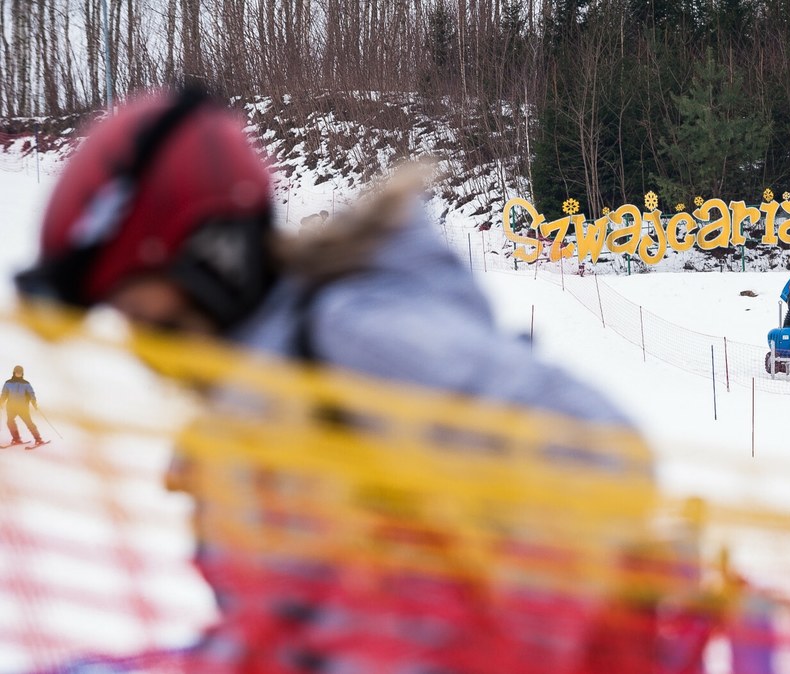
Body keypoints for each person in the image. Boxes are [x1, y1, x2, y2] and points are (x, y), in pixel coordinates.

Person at [15, 87, 705, 672]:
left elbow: (602, 453)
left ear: (203, 257)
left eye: (136, 304)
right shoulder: (252, 391)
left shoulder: (347, 335)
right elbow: (280, 641)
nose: (138, 340)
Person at [0, 365, 43, 447]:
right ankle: (16, 438)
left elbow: (31, 394)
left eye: (20, 373)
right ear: (14, 373)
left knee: (29, 423)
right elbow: (4, 394)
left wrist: (34, 403)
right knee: (10, 422)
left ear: (22, 373)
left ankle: (38, 439)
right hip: (11, 407)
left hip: (22, 407)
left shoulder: (26, 384)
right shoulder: (8, 383)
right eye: (17, 373)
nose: (18, 374)